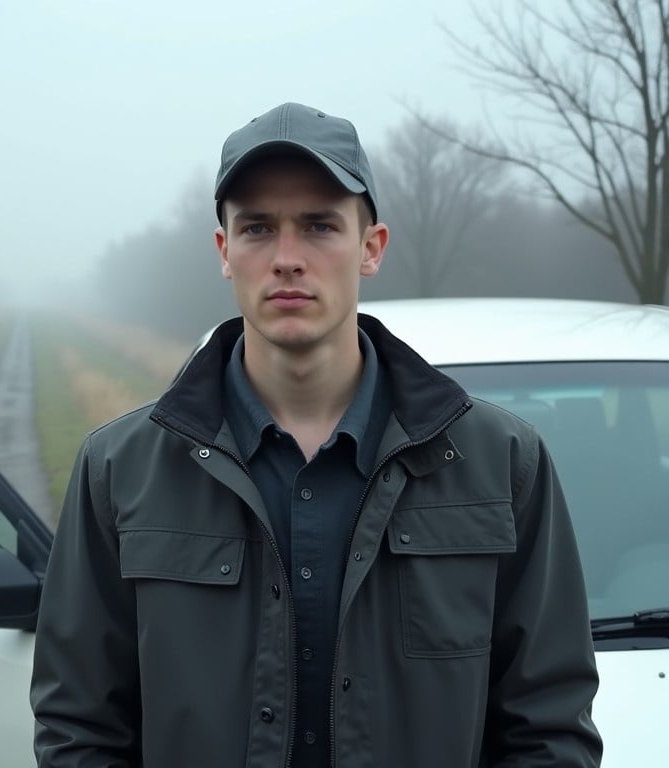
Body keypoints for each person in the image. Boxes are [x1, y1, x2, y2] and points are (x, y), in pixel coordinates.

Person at [30, 102, 602, 767]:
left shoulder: (502, 464)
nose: (287, 258)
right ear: (224, 252)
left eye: (319, 226)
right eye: (258, 229)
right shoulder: (119, 469)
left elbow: (550, 728)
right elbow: (79, 730)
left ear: (371, 247)